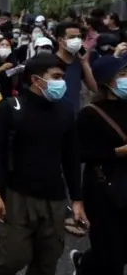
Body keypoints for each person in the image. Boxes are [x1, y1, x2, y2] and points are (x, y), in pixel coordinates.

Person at [0, 53, 87, 275]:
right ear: (35, 79)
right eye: (56, 77)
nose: (61, 83)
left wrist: (77, 200)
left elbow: (71, 157)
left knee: (47, 261)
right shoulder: (11, 108)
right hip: (18, 196)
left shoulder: (66, 111)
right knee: (11, 258)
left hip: (54, 199)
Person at [70, 55, 127, 275]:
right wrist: (117, 153)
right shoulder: (90, 114)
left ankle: (84, 262)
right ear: (106, 81)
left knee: (121, 252)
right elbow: (80, 154)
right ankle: (87, 265)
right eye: (122, 75)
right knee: (110, 256)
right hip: (104, 189)